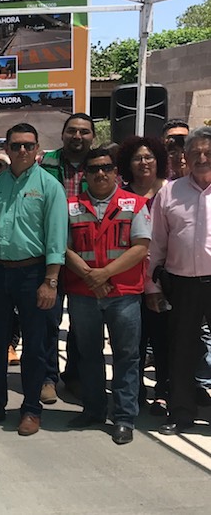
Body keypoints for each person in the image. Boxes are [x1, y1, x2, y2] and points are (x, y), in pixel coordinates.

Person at [0, 123, 67, 437]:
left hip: (34, 274)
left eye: (28, 145)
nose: (22, 151)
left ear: (37, 149)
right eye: (15, 146)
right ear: (6, 150)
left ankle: (31, 409)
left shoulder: (50, 186)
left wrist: (50, 281)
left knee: (35, 347)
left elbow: (56, 237)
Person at [62, 148, 150, 445]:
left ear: (116, 172)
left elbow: (140, 247)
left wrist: (104, 274)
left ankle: (124, 418)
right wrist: (91, 276)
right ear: (84, 175)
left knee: (126, 356)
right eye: (94, 169)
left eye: (106, 168)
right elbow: (63, 246)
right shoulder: (70, 205)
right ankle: (94, 410)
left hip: (123, 294)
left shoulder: (136, 204)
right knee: (88, 354)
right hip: (83, 293)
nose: (100, 173)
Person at [147, 126, 211, 436]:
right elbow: (157, 243)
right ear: (184, 157)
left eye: (208, 152)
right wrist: (153, 286)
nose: (202, 157)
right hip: (182, 284)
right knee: (182, 352)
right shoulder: (169, 193)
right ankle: (181, 413)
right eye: (195, 152)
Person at [38, 113, 97, 400]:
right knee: (48, 319)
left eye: (84, 132)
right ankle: (47, 377)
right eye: (72, 131)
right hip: (49, 252)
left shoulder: (101, 165)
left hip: (86, 256)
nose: (78, 136)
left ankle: (74, 376)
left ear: (92, 137)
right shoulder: (45, 163)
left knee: (81, 322)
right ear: (62, 135)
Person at [118, 136, 171, 416]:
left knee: (164, 340)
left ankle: (163, 392)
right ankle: (133, 391)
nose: (144, 162)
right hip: (131, 281)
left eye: (149, 156)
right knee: (132, 342)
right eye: (137, 157)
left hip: (166, 279)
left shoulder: (172, 192)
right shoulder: (122, 196)